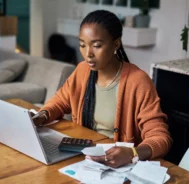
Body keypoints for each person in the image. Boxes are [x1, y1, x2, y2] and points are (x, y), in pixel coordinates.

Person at [33, 10, 172, 168]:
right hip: (83, 159)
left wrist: (133, 153)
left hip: (118, 165)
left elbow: (161, 138)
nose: (88, 54)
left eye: (97, 45)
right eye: (82, 45)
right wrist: (41, 116)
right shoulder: (82, 70)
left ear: (116, 43)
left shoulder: (138, 81)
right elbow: (59, 102)